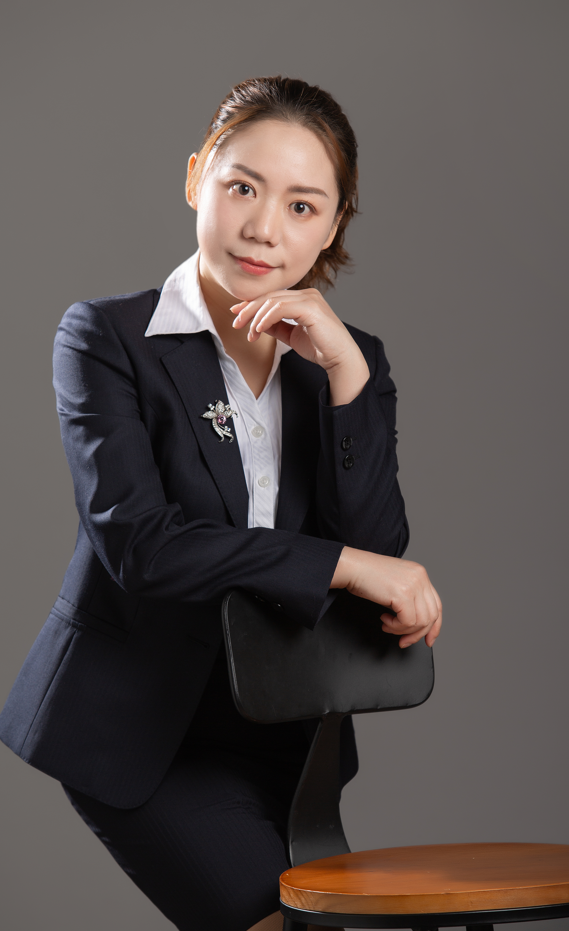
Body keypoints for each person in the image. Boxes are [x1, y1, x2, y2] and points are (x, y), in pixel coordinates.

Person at [0, 76, 442, 931]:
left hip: (289, 732)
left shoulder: (351, 359)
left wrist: (349, 380)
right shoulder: (107, 337)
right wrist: (345, 565)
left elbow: (377, 552)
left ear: (333, 225)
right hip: (140, 734)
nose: (264, 227)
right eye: (243, 186)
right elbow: (144, 546)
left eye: (303, 205)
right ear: (196, 177)